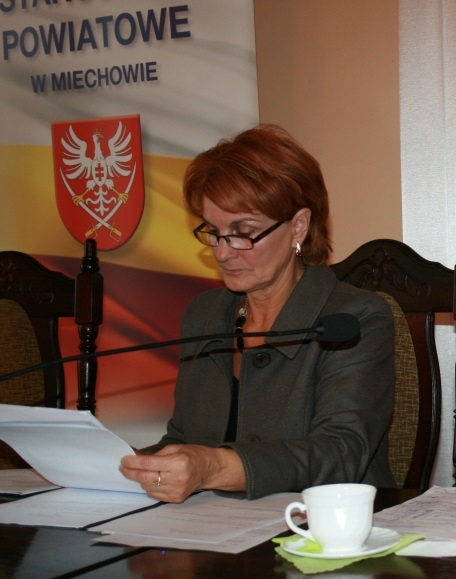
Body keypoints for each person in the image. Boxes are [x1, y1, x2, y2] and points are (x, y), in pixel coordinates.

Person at [119, 124, 395, 502]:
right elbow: (184, 440)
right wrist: (120, 464)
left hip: (324, 525)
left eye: (243, 231)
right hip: (214, 526)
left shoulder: (354, 317)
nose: (222, 252)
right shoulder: (204, 314)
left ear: (298, 227)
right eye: (214, 231)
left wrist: (213, 467)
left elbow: (340, 453)